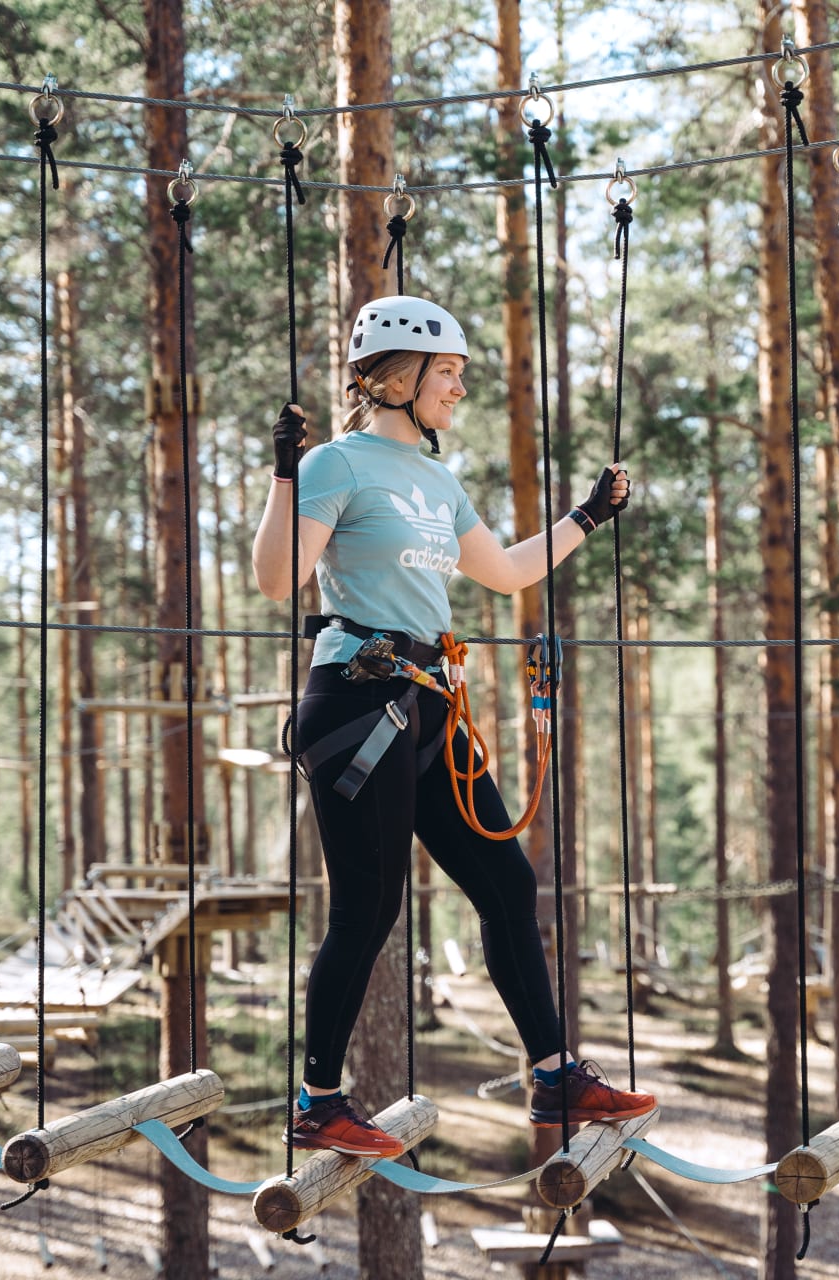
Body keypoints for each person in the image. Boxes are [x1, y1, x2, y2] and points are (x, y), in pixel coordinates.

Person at [251, 295, 656, 1158]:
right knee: (369, 904)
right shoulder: (336, 465)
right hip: (358, 702)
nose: (458, 390)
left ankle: (553, 1075)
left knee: (508, 884)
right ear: (395, 379)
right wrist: (285, 475)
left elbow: (505, 573)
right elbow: (280, 579)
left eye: (461, 375)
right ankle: (319, 1100)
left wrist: (587, 516)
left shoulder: (437, 479)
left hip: (429, 700)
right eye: (446, 374)